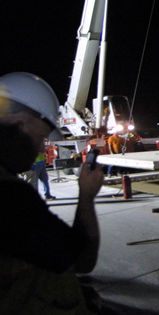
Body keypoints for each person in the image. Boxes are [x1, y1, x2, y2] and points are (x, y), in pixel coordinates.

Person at [0, 72, 104, 313]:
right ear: (20, 121)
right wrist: (86, 195)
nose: (41, 147)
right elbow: (83, 259)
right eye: (41, 136)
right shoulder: (10, 199)